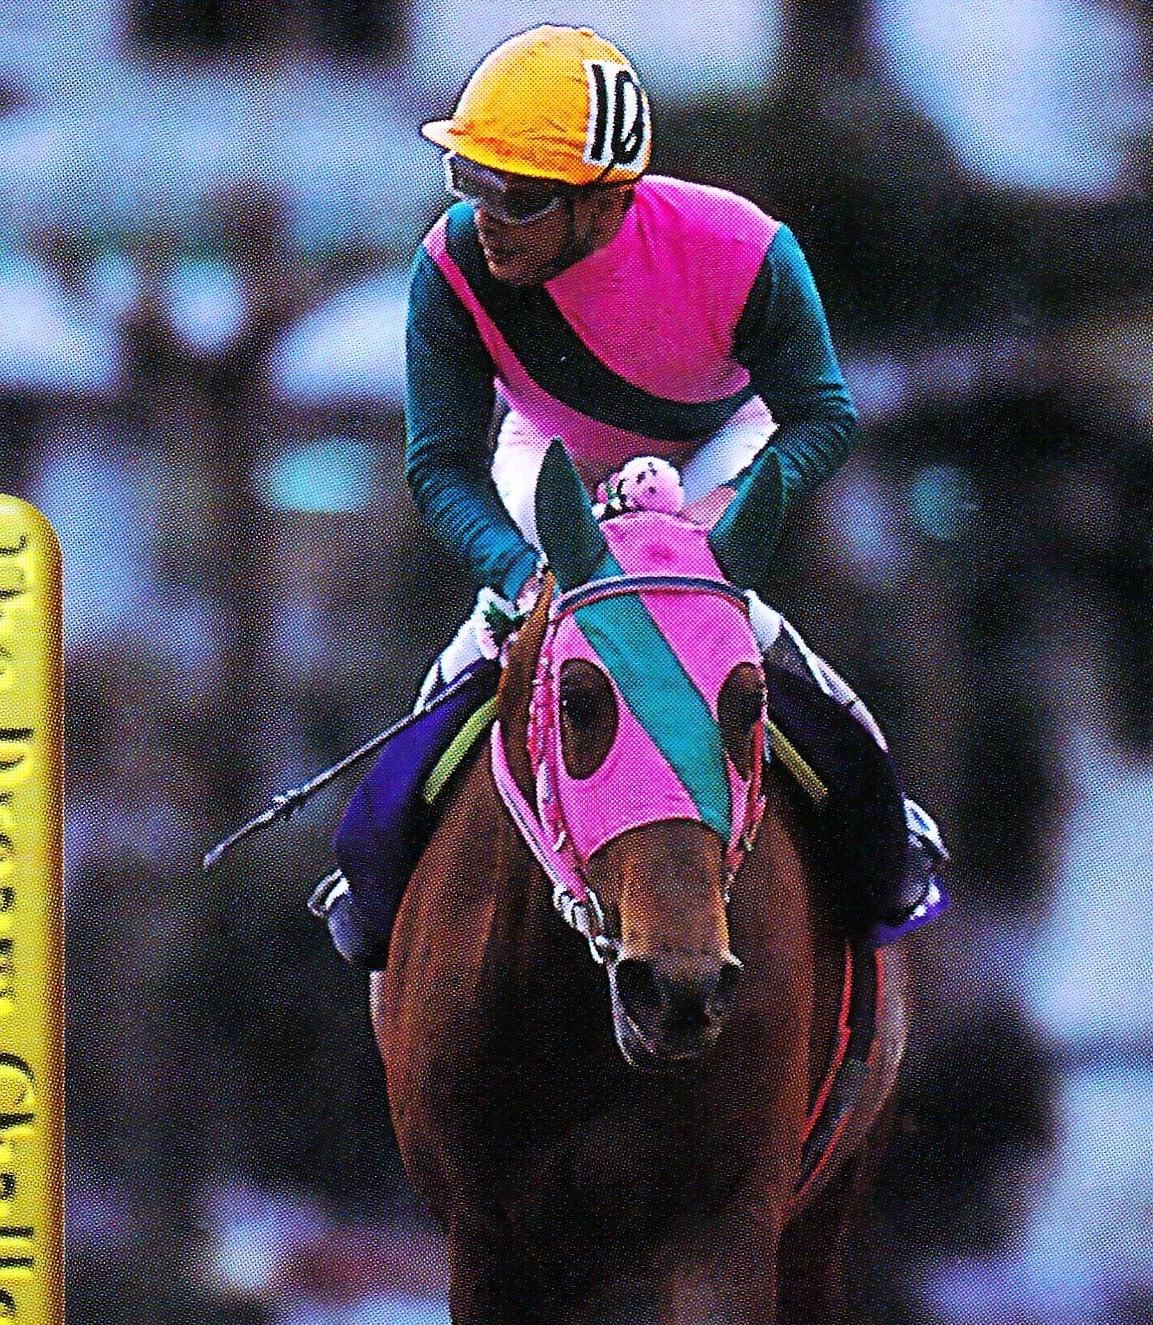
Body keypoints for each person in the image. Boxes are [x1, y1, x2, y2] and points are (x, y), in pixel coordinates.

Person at [315, 24, 940, 963]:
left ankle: (886, 823)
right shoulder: (448, 269)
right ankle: (375, 867)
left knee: (746, 638)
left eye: (520, 198)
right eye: (469, 180)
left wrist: (723, 523)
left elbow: (822, 415)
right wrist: (518, 576)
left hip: (715, 452)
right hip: (550, 455)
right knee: (474, 659)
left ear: (605, 200)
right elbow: (440, 465)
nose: (487, 219)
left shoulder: (746, 250)